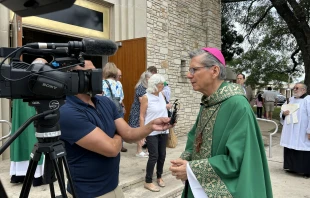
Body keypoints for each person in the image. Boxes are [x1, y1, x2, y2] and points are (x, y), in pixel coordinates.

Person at [169, 47, 272, 198]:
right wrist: (185, 159)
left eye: (194, 70)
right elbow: (195, 138)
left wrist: (192, 169)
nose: (188, 75)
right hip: (198, 186)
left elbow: (240, 159)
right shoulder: (209, 102)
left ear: (215, 71)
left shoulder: (237, 105)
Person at [59, 60, 172, 198]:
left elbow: (129, 134)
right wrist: (118, 133)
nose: (97, 77)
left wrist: (151, 126)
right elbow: (112, 149)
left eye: (97, 72)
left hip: (114, 187)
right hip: (88, 192)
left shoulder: (104, 102)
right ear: (72, 78)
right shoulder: (67, 112)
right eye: (90, 73)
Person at [9, 58, 45, 187]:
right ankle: (37, 175)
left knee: (22, 139)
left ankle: (19, 174)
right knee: (33, 140)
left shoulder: (21, 80)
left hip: (21, 121)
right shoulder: (39, 80)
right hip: (35, 119)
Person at [140, 74, 172, 192]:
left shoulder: (162, 95)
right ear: (154, 85)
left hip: (164, 129)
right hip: (151, 130)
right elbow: (142, 116)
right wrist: (142, 133)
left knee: (162, 155)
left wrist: (168, 107)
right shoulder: (146, 97)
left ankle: (159, 177)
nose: (163, 86)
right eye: (161, 84)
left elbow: (162, 109)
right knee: (154, 156)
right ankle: (148, 181)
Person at [280, 83, 310, 178]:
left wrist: (309, 131)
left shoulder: (308, 100)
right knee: (291, 147)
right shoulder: (290, 100)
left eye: (297, 88)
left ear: (304, 90)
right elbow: (282, 111)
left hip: (302, 131)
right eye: (294, 88)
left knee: (303, 148)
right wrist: (284, 114)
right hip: (290, 131)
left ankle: (306, 171)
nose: (295, 89)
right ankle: (292, 168)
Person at [128, 71, 153, 157]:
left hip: (146, 112)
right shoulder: (140, 87)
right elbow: (142, 100)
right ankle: (139, 151)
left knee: (147, 131)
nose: (150, 80)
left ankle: (147, 150)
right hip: (138, 112)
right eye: (148, 78)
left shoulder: (149, 87)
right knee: (140, 131)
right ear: (145, 79)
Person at [116, 68, 127, 152]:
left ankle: (121, 145)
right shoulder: (105, 83)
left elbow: (121, 97)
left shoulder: (119, 84)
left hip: (119, 106)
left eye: (121, 75)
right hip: (112, 107)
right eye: (119, 75)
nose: (120, 77)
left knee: (121, 127)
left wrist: (123, 106)